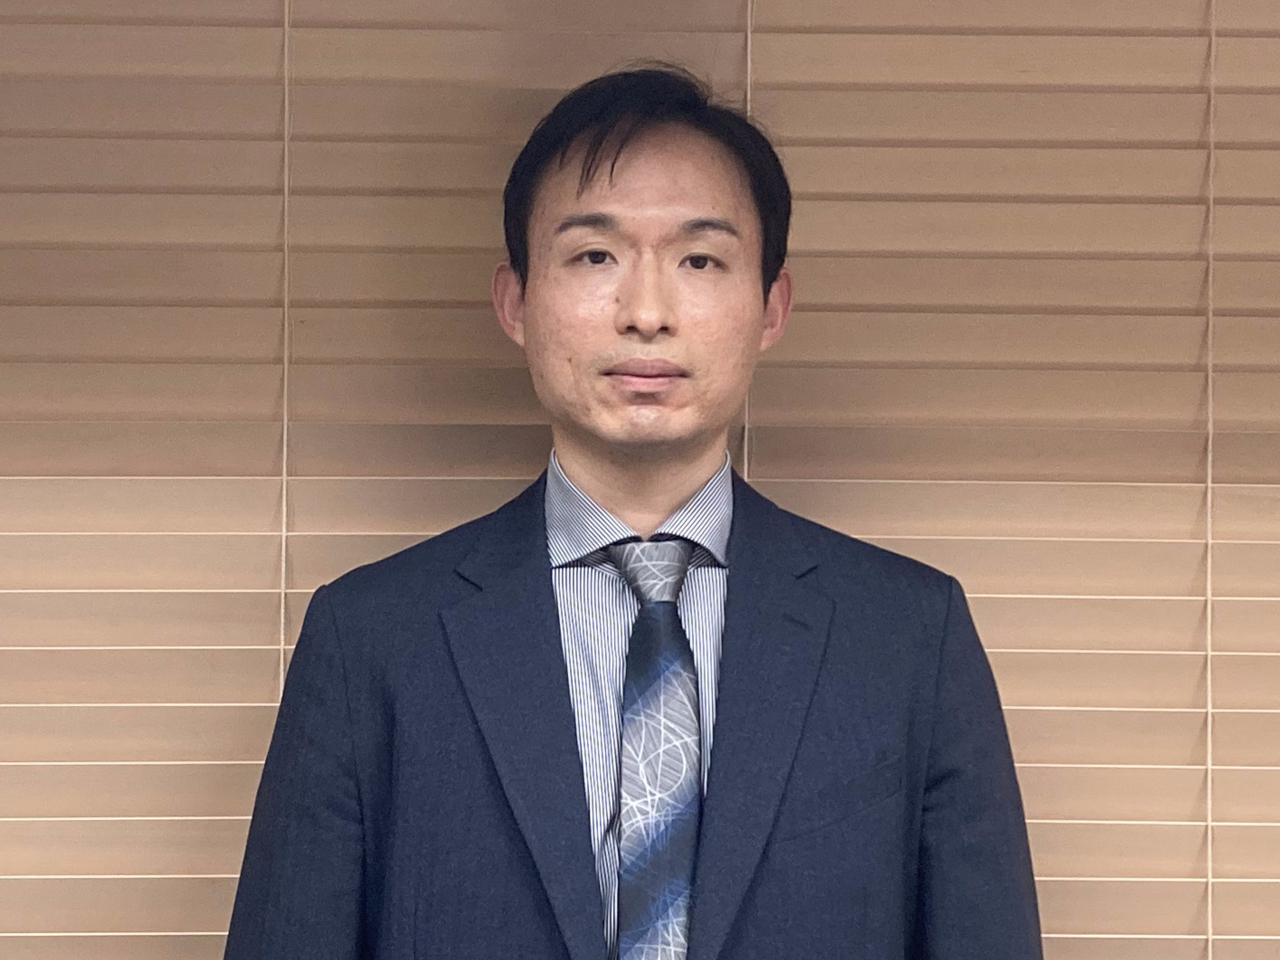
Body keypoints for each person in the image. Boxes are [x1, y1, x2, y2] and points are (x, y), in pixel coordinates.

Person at [224, 64, 1042, 960]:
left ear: (771, 307)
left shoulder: (909, 637)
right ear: (516, 302)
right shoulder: (370, 640)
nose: (647, 313)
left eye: (700, 260)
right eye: (595, 256)